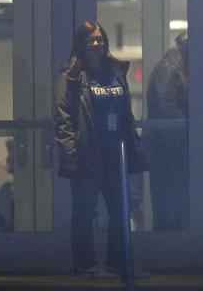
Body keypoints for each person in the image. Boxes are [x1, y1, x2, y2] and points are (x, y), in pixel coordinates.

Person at [54, 21, 147, 279]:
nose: (96, 43)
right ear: (81, 43)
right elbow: (64, 118)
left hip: (116, 152)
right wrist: (70, 153)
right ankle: (86, 266)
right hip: (87, 152)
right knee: (85, 211)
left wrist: (133, 147)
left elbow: (125, 114)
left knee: (121, 208)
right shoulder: (71, 75)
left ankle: (118, 263)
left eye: (100, 38)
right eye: (91, 39)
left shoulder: (115, 72)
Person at [145, 31, 190, 231]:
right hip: (168, 146)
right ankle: (170, 247)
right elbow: (165, 109)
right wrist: (188, 138)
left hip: (166, 144)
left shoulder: (175, 66)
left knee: (170, 198)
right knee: (171, 200)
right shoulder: (170, 70)